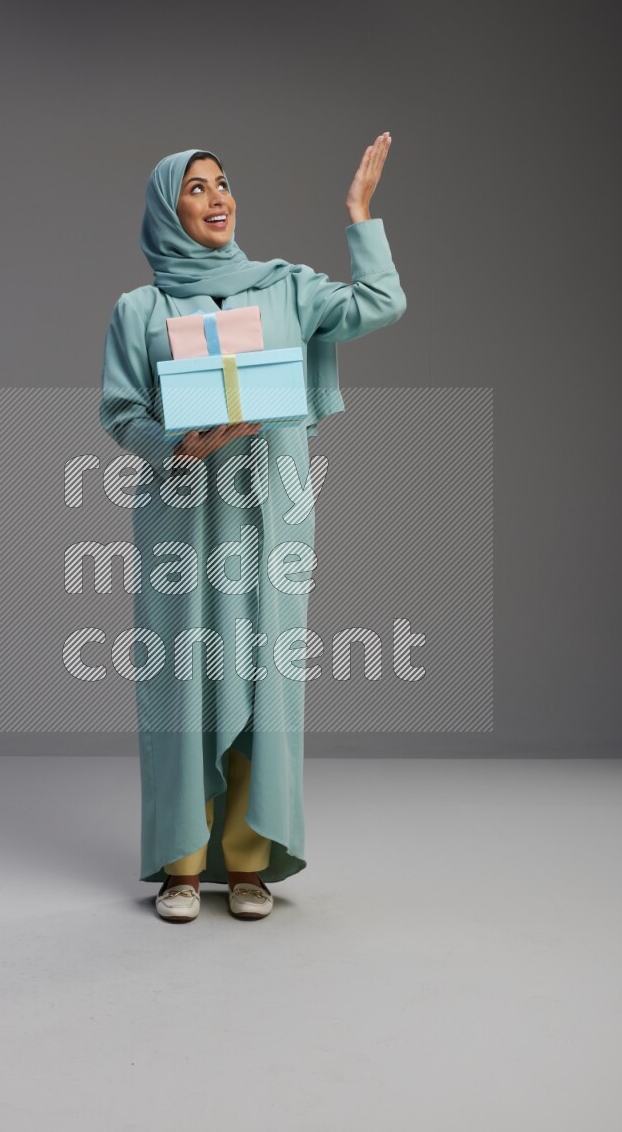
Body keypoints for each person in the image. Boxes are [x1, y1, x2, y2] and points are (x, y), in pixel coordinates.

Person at [100, 138, 406, 922]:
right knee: (182, 684)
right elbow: (121, 413)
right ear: (168, 209)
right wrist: (177, 444)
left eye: (223, 184)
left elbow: (380, 305)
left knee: (265, 682)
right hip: (181, 519)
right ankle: (179, 865)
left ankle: (248, 863)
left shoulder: (286, 289)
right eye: (196, 188)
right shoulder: (140, 309)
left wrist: (359, 215)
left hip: (269, 517)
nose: (217, 198)